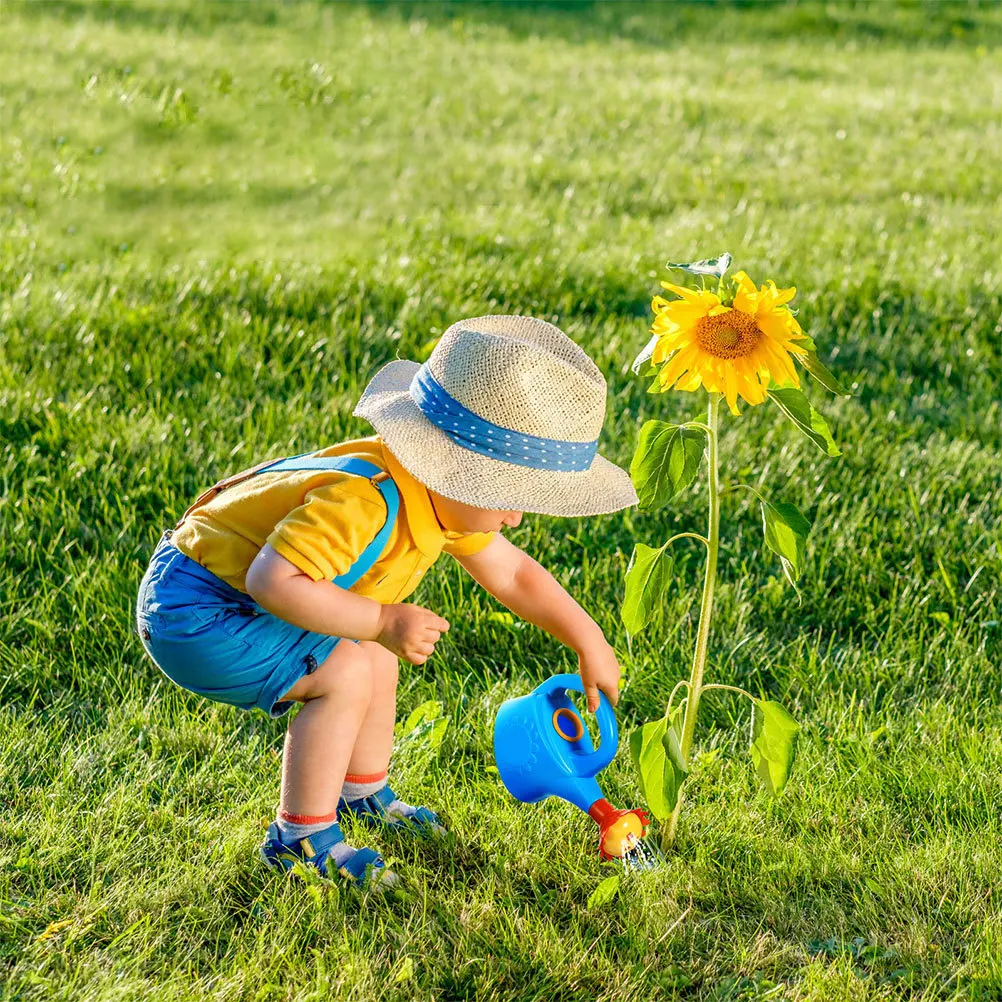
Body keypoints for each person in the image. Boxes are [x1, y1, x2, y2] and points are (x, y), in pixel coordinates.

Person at [135, 314, 638, 888]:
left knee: (373, 656)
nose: (516, 516)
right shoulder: (365, 503)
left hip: (238, 592)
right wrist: (378, 617)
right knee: (347, 667)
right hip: (200, 608)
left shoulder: (438, 493)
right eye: (508, 494)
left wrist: (587, 638)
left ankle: (363, 794)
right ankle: (300, 840)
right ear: (454, 469)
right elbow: (270, 582)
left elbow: (514, 575)